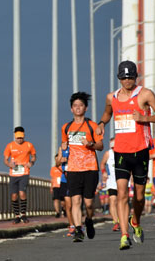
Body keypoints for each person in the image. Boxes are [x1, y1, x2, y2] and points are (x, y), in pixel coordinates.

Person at [96, 60, 155, 250]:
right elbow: (107, 113)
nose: (127, 81)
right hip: (120, 151)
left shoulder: (145, 94)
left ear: (136, 77)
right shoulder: (112, 97)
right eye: (124, 78)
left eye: (131, 77)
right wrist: (102, 124)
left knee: (140, 196)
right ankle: (124, 235)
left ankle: (135, 221)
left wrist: (145, 118)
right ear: (119, 78)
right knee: (121, 194)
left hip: (140, 151)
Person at [61, 92, 103, 242]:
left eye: (81, 105)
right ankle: (78, 230)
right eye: (75, 106)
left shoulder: (92, 126)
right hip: (73, 169)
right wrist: (63, 148)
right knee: (75, 201)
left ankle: (89, 220)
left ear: (86, 108)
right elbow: (65, 147)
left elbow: (101, 146)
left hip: (90, 168)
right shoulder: (66, 127)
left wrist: (90, 144)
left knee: (89, 203)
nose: (78, 108)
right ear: (71, 109)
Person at [4, 126, 37, 224]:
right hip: (13, 173)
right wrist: (9, 164)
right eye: (18, 137)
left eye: (21, 137)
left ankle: (23, 214)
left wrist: (31, 162)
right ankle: (17, 215)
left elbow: (34, 156)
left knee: (22, 192)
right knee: (14, 195)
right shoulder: (10, 146)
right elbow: (5, 159)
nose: (19, 139)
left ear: (24, 136)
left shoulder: (29, 145)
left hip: (24, 172)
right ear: (14, 136)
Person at [100, 138, 120, 232]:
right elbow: (102, 164)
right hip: (112, 180)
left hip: (122, 180)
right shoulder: (108, 153)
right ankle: (116, 222)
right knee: (113, 200)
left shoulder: (123, 152)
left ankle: (122, 219)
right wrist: (104, 172)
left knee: (122, 201)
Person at [57, 142, 75, 236]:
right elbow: (57, 163)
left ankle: (78, 224)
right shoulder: (62, 147)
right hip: (65, 178)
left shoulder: (76, 146)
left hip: (75, 176)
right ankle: (72, 226)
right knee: (68, 205)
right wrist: (61, 160)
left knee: (75, 203)